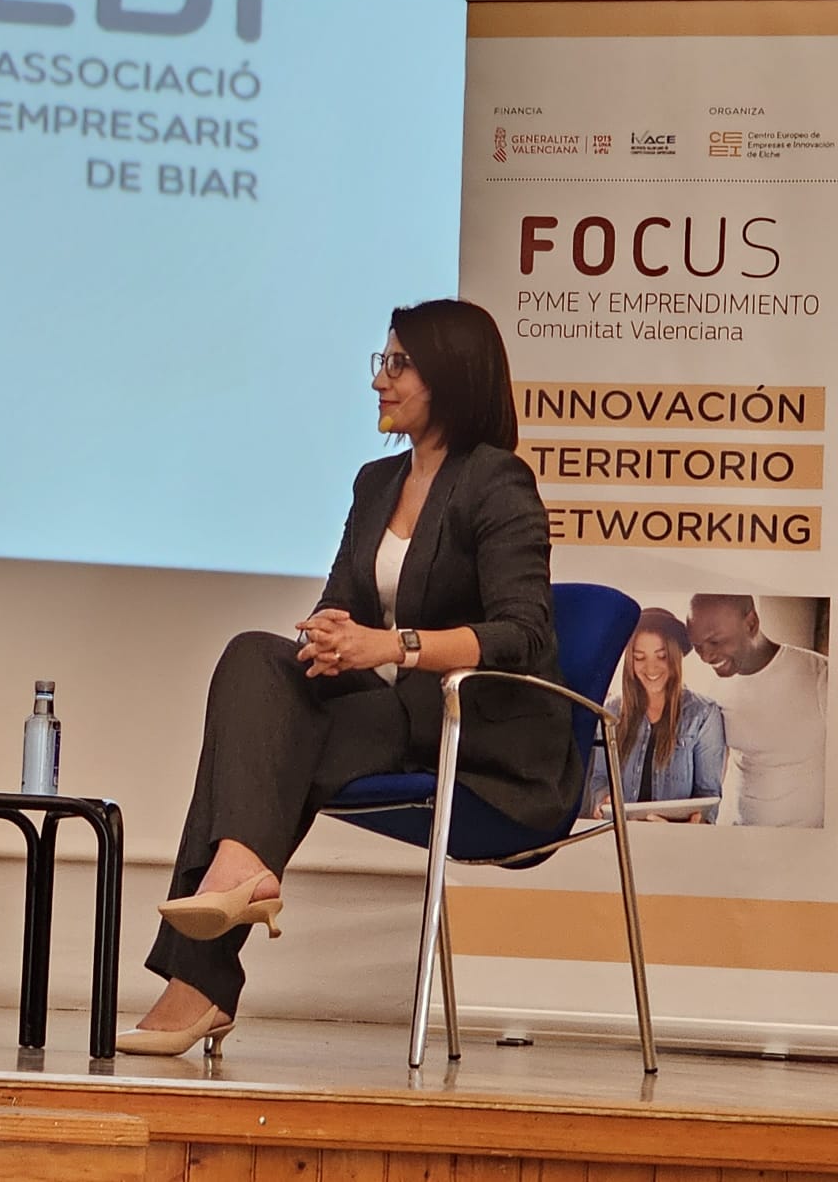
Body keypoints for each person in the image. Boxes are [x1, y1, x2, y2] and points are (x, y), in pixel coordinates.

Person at [116, 299, 579, 1057]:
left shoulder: (498, 483)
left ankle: (205, 964)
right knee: (255, 658)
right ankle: (240, 874)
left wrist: (391, 645)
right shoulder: (376, 482)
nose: (380, 381)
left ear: (451, 379)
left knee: (279, 747)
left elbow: (522, 635)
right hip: (391, 715)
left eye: (399, 365)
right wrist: (330, 635)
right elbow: (342, 600)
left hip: (480, 729)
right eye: (383, 362)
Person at [684, 594, 828, 828]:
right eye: (697, 646)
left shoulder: (821, 676)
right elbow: (714, 769)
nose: (706, 657)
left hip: (806, 845)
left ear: (751, 623)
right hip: (739, 838)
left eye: (715, 642)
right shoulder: (714, 689)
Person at [583, 608, 725, 823]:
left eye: (662, 656)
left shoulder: (703, 714)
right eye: (639, 658)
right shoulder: (610, 711)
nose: (651, 668)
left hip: (675, 839)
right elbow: (600, 778)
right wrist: (602, 801)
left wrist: (696, 823)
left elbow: (708, 794)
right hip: (623, 835)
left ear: (676, 657)